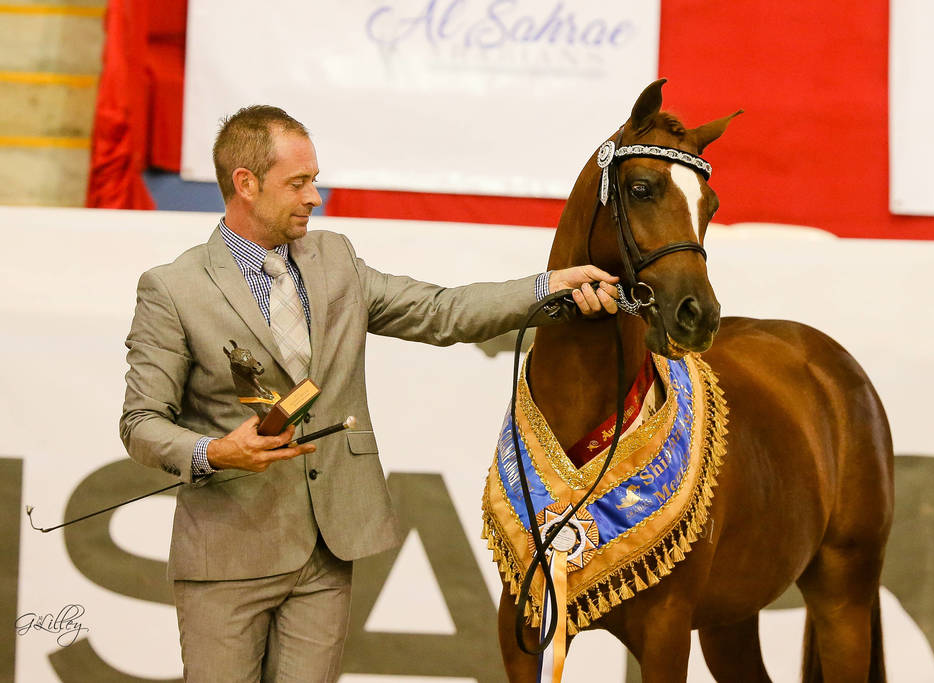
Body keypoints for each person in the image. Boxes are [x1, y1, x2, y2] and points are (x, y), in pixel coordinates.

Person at [119, 105, 618, 682]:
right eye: (298, 183)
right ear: (246, 184)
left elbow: (439, 311)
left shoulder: (336, 259)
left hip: (327, 553)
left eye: (315, 180)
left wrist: (547, 286)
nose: (315, 197)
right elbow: (141, 423)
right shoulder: (173, 288)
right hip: (227, 556)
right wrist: (214, 453)